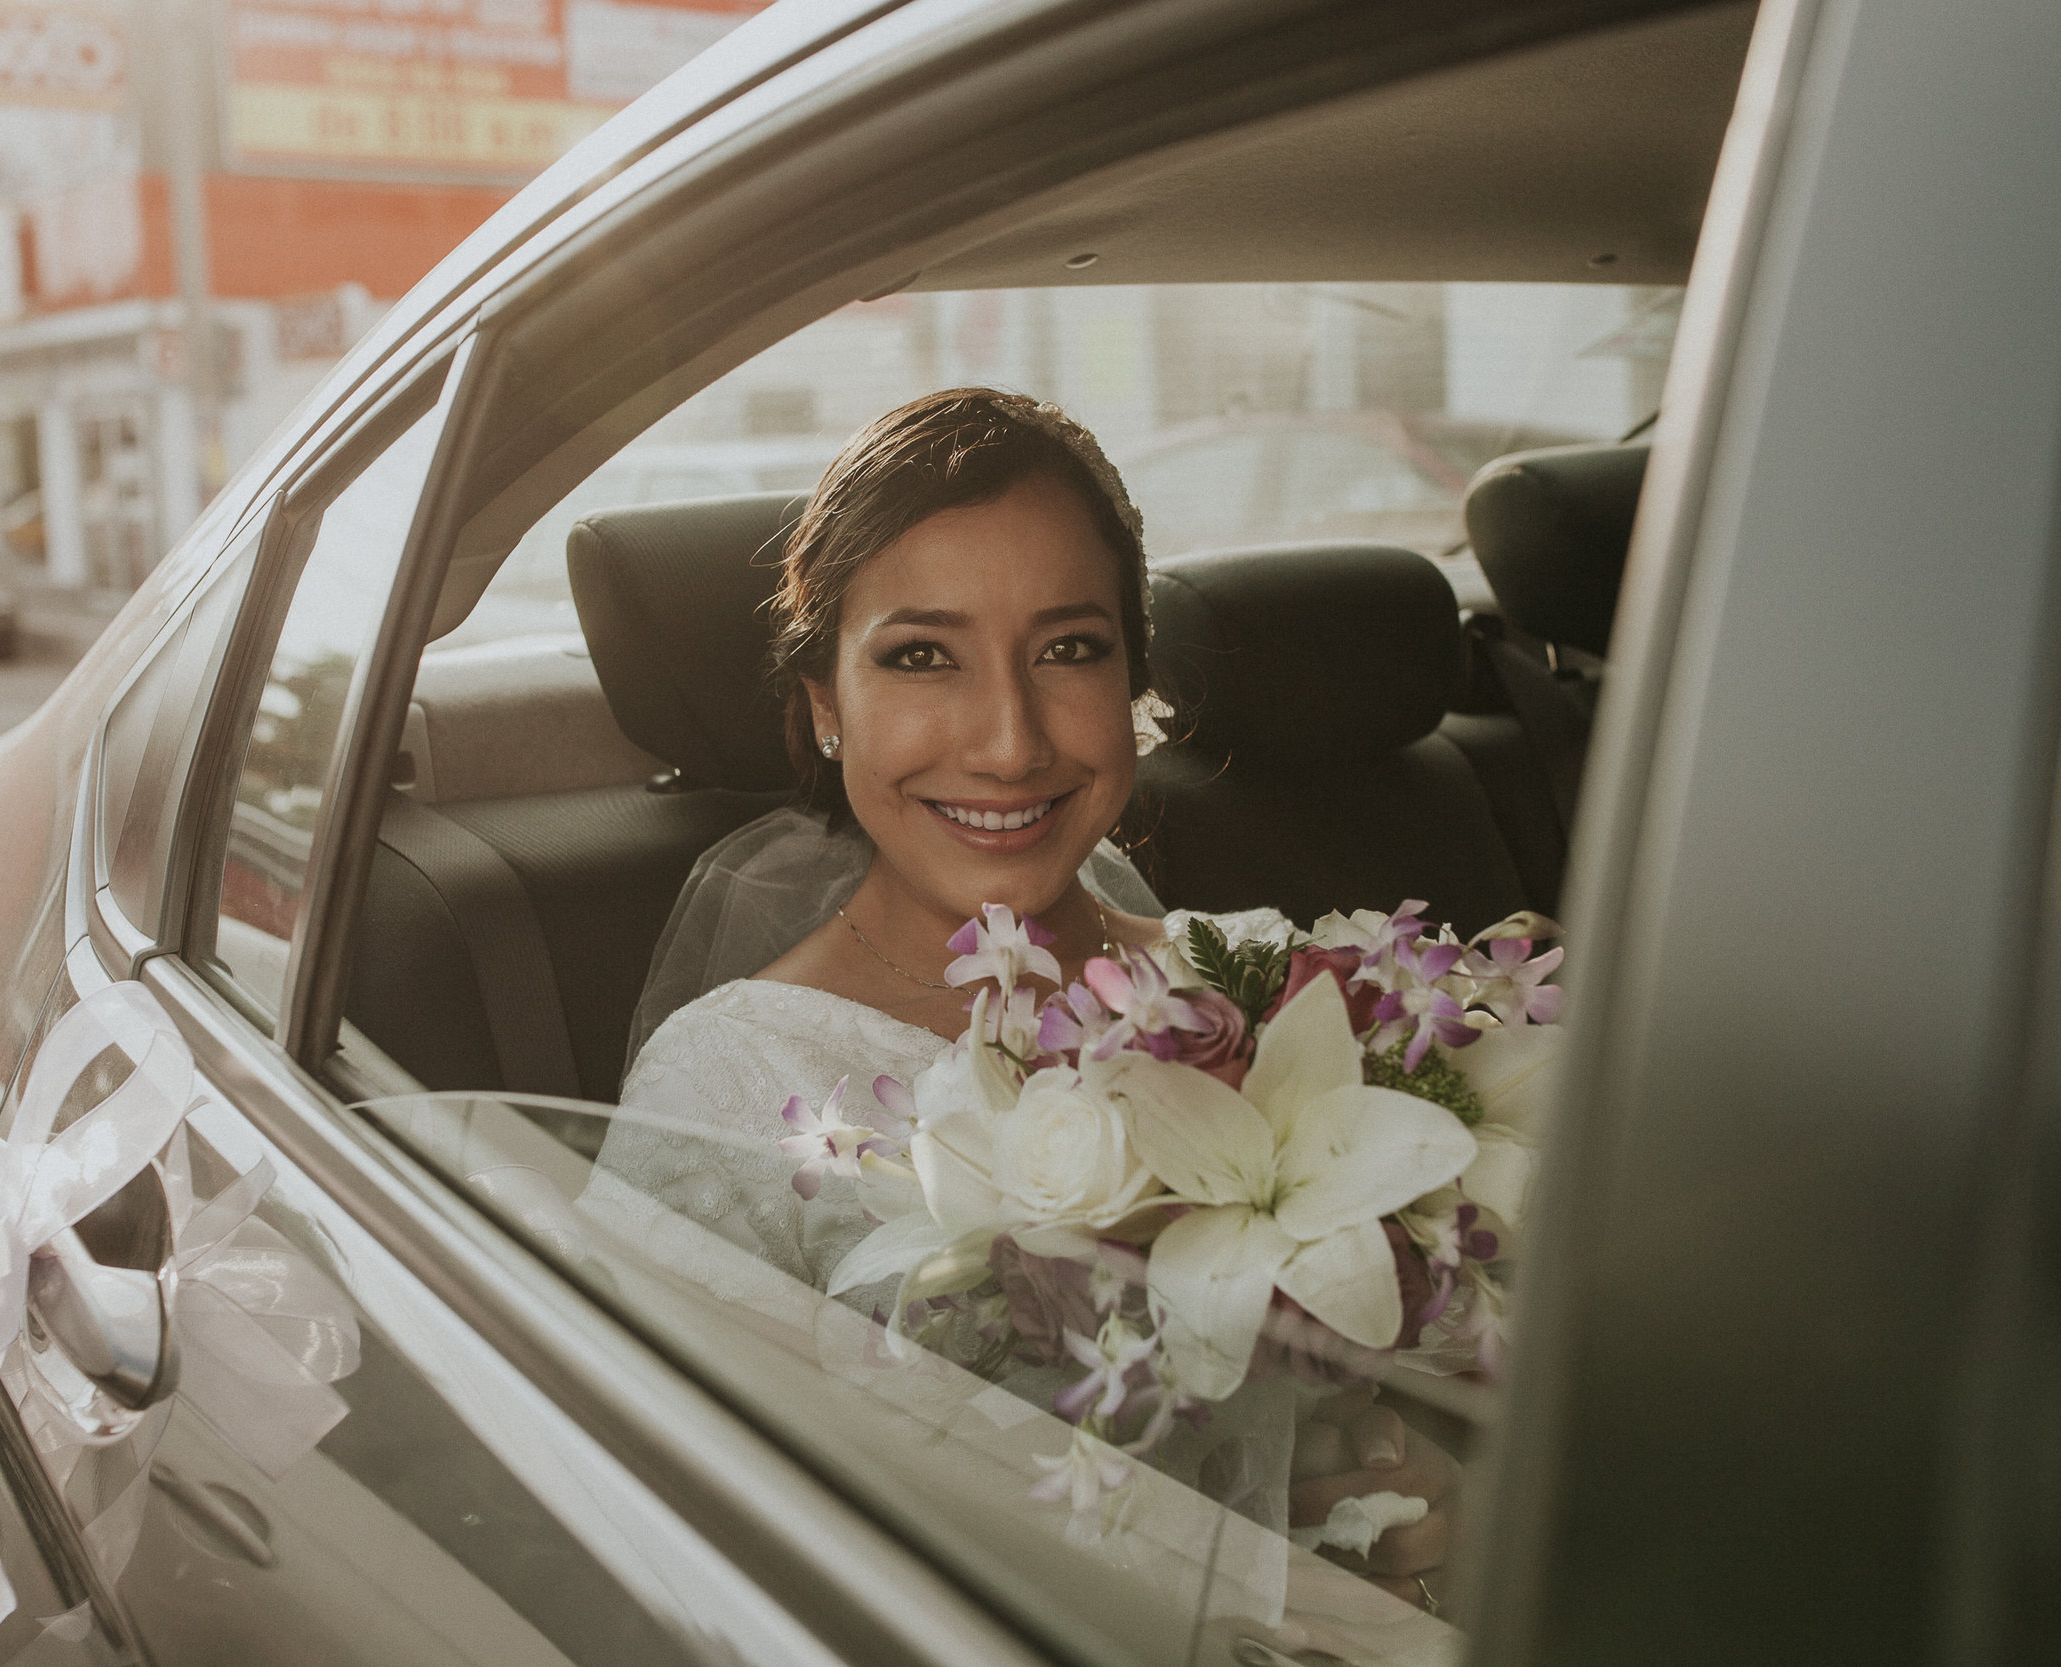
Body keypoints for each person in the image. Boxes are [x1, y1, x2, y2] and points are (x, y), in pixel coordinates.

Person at [598, 388, 1455, 1608]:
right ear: (824, 704)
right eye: (919, 655)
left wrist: (1432, 1490)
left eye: (1067, 648)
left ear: (1134, 683)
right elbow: (673, 1554)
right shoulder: (727, 1087)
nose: (1008, 743)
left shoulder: (1276, 986)